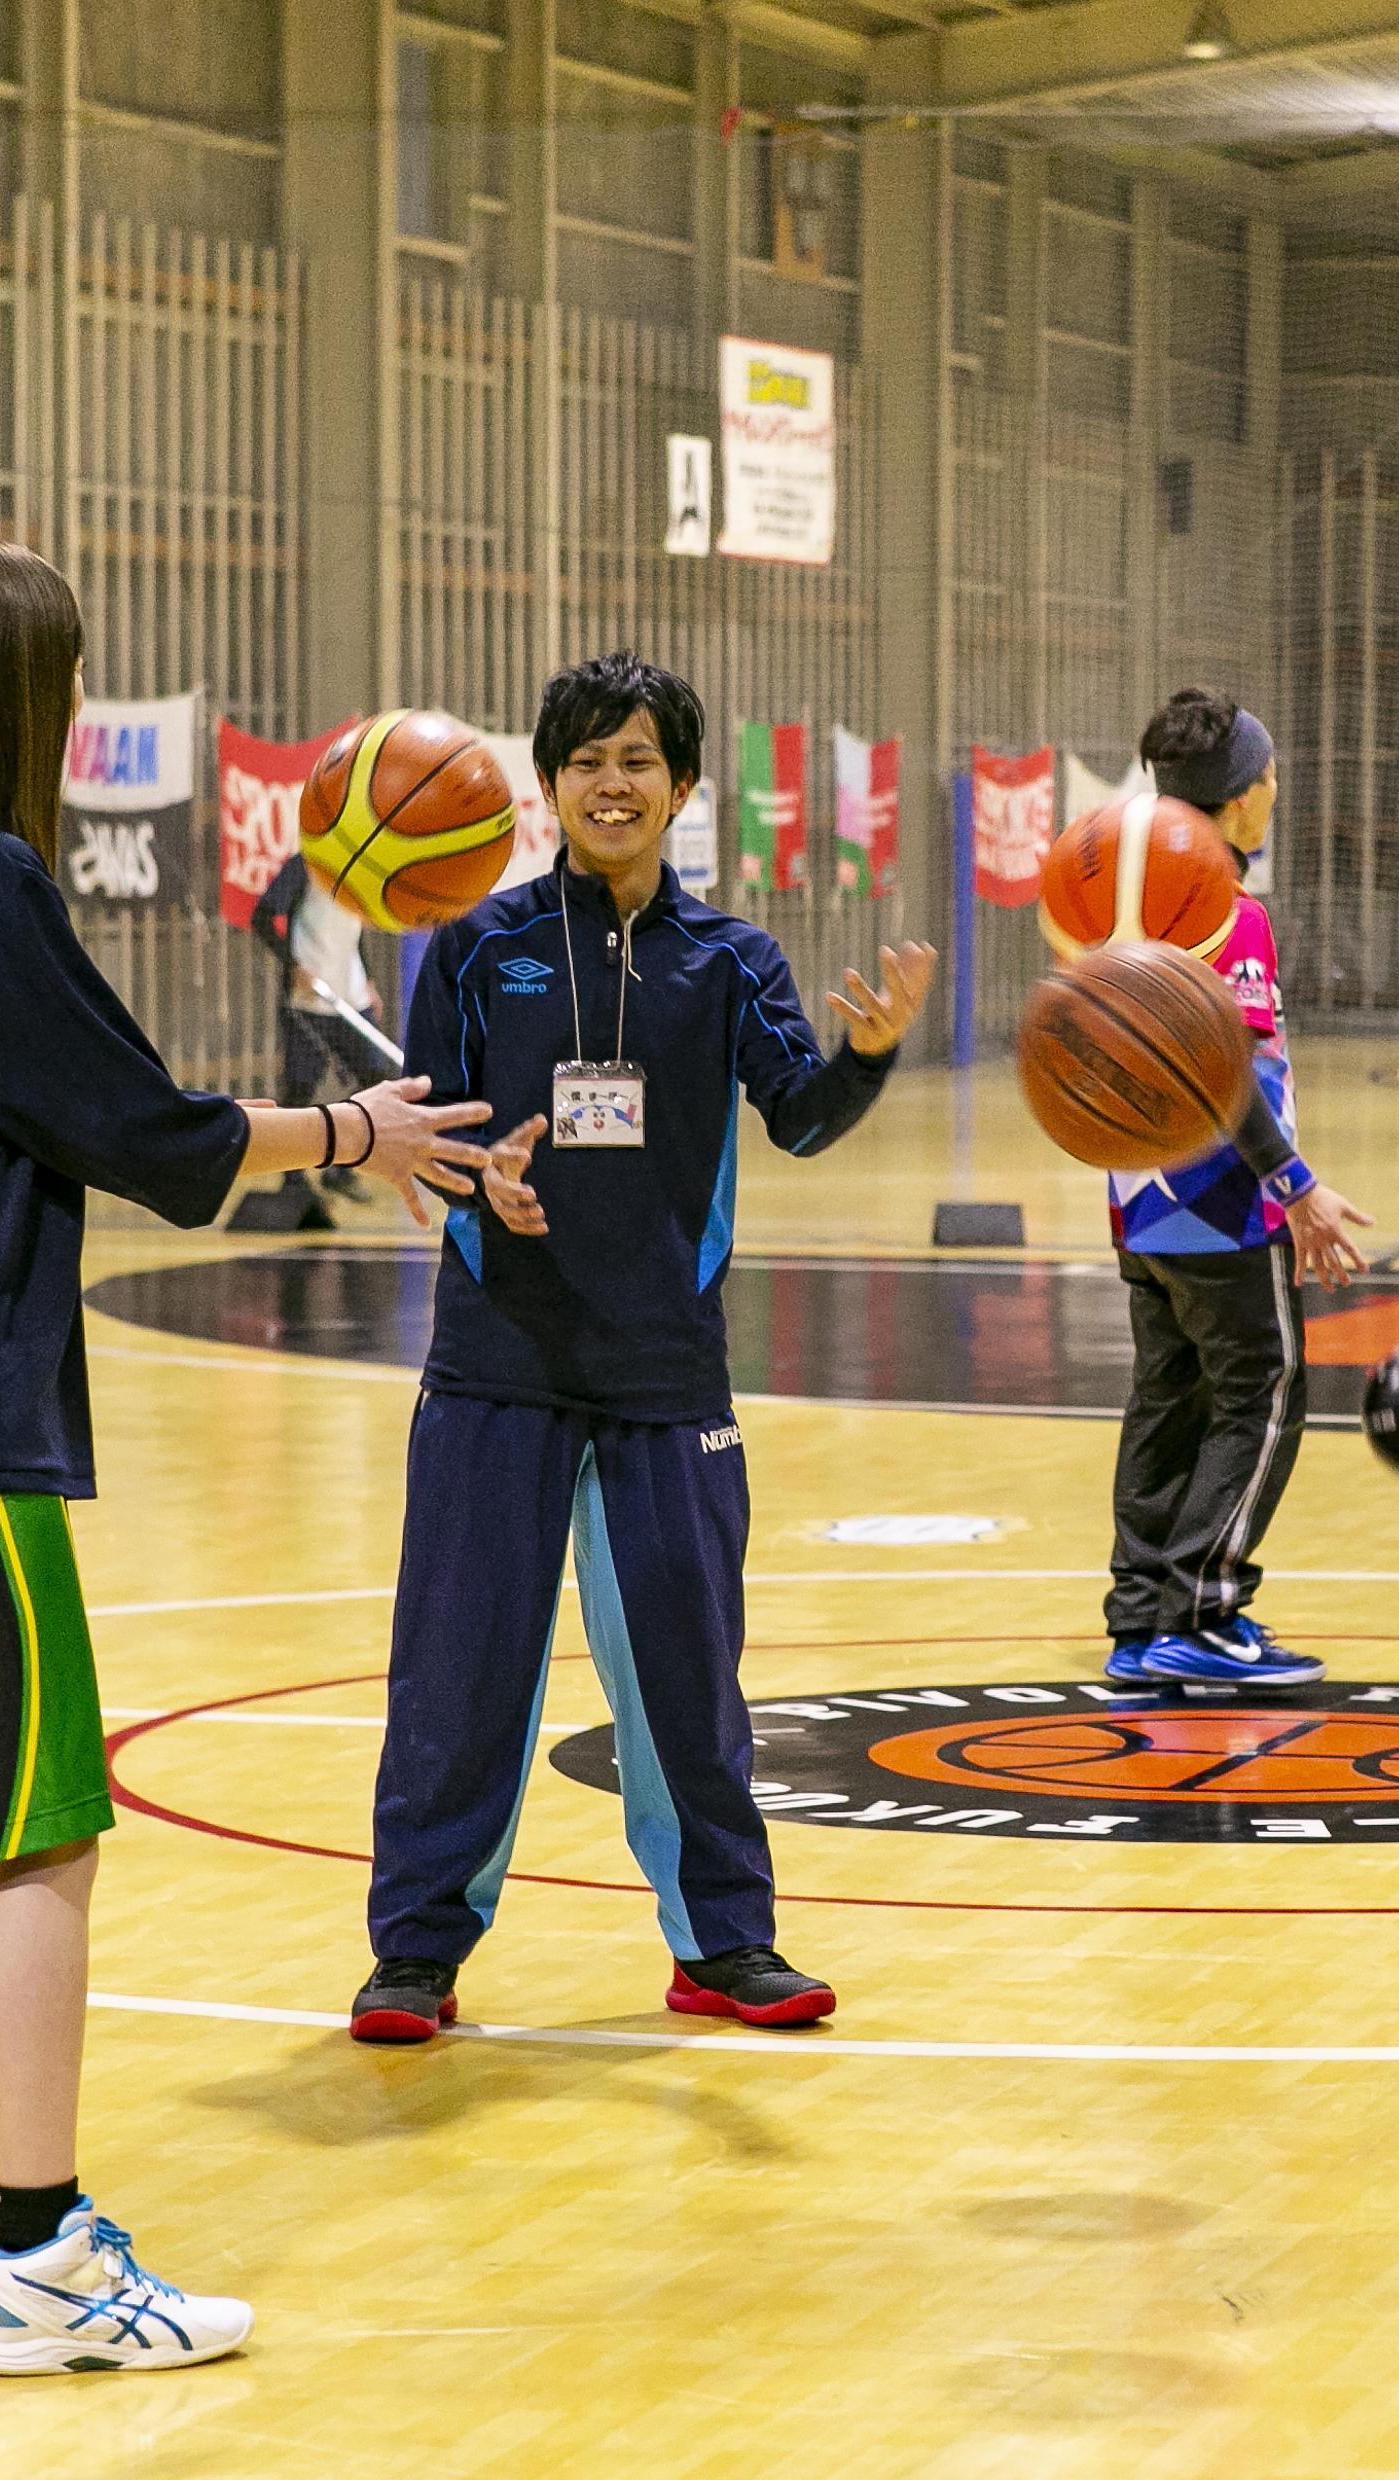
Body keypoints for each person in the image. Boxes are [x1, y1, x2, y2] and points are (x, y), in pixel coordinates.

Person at [0, 536, 490, 2370]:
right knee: (36, 1844)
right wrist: (352, 1126)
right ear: (11, 696)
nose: (77, 716)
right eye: (63, 682)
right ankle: (43, 2260)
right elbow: (131, 1120)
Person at [349, 653, 936, 2044]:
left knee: (687, 1666)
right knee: (460, 1666)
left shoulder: (732, 964)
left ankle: (725, 1943)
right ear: (549, 785)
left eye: (639, 761)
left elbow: (795, 1116)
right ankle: (415, 1954)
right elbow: (415, 1141)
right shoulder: (476, 948)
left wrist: (865, 1057)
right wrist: (473, 1177)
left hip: (667, 1370)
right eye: (587, 761)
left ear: (681, 787)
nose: (613, 783)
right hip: (497, 1361)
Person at [1100, 689, 1375, 1688]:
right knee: (1264, 1392)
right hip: (1224, 1203)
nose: (1276, 790)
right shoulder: (1227, 907)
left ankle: (1139, 1618)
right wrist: (1295, 1182)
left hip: (1136, 1196)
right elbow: (1224, 1070)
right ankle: (1208, 1608)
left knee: (1165, 1400)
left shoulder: (1116, 906)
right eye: (1267, 777)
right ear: (1242, 797)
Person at [240, 846, 388, 1228]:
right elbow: (262, 917)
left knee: (375, 1075)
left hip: (351, 997)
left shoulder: (357, 871)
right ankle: (291, 1174)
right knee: (302, 1085)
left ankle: (343, 1166)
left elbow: (353, 934)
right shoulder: (304, 865)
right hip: (310, 998)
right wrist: (293, 967)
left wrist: (368, 980)